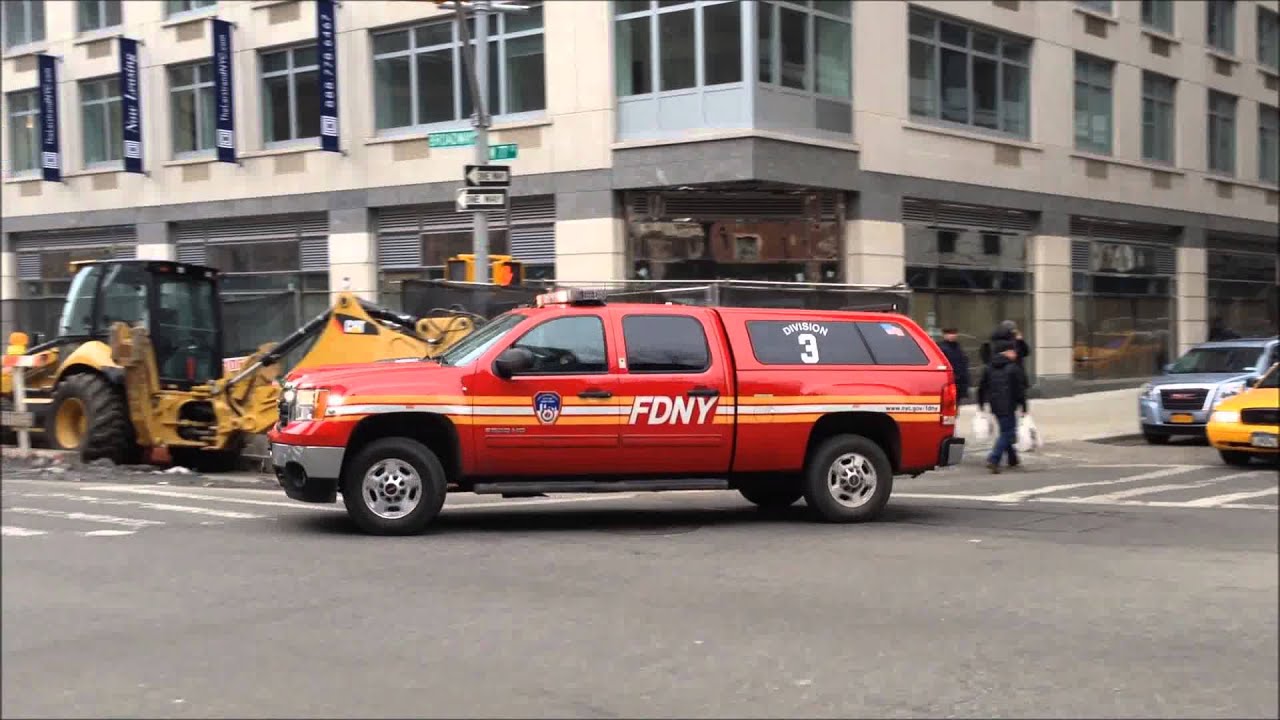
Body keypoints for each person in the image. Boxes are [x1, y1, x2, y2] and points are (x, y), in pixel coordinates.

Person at [977, 339, 1029, 474]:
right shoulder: (1013, 368)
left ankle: (1013, 458)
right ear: (1007, 352)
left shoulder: (989, 367)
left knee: (1006, 431)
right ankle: (993, 459)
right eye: (1013, 351)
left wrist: (981, 404)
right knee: (1008, 433)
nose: (1016, 354)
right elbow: (1019, 391)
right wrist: (1024, 407)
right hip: (1009, 406)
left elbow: (982, 387)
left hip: (996, 406)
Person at [936, 328, 970, 401]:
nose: (952, 335)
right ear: (944, 335)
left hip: (958, 383)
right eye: (949, 333)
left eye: (954, 333)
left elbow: (963, 367)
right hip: (948, 382)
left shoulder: (958, 348)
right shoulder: (941, 348)